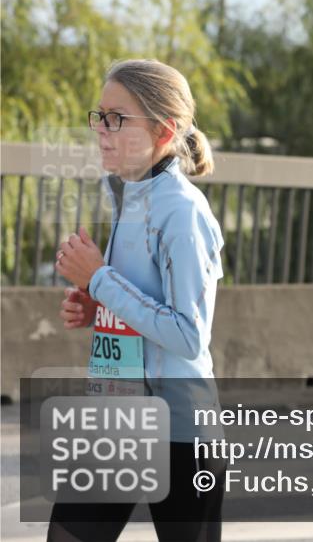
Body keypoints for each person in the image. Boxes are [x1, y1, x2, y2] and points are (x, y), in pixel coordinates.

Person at [49, 59, 226, 541]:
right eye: (100, 116)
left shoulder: (183, 211)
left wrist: (100, 279)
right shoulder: (126, 194)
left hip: (181, 433)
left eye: (117, 118)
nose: (101, 130)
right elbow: (141, 300)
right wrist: (96, 306)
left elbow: (188, 335)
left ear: (164, 131)